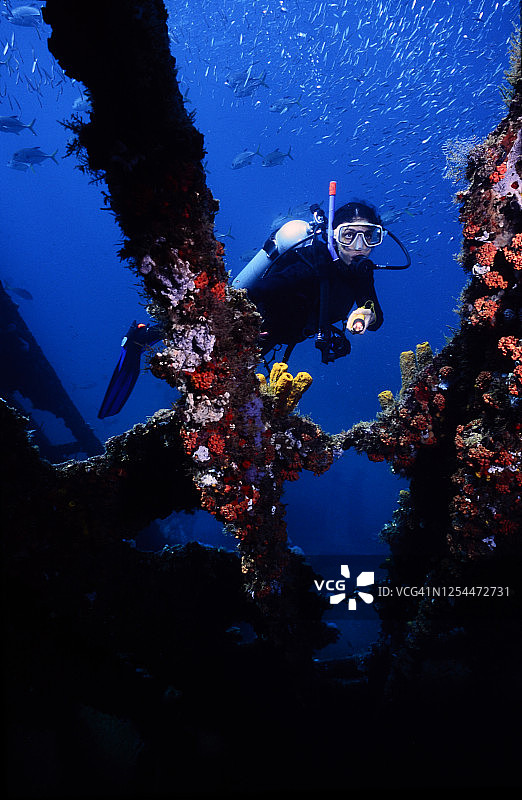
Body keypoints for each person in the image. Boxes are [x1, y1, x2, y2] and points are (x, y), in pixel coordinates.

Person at [233, 199, 409, 364]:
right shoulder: (311, 265)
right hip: (252, 333)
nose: (359, 246)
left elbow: (376, 320)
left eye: (368, 236)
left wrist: (366, 317)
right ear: (333, 237)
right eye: (348, 235)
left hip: (282, 337)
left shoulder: (361, 272)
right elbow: (257, 292)